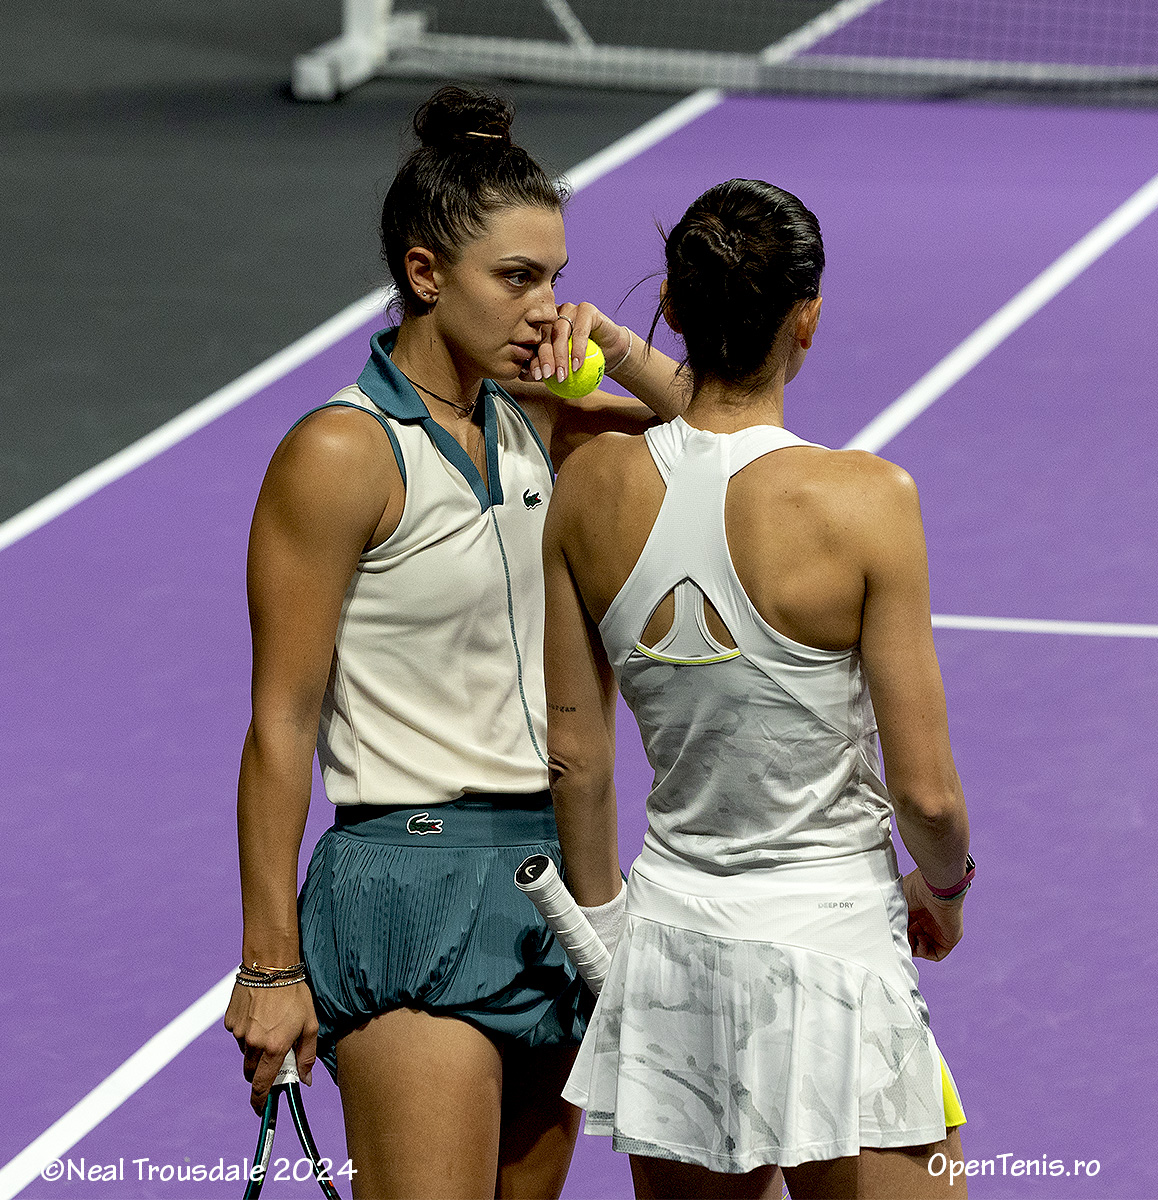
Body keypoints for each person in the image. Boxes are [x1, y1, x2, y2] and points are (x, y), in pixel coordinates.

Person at [223, 85, 687, 1200]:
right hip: (408, 891)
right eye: (516, 278)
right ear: (426, 273)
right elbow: (281, 725)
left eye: (557, 278)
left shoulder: (538, 417)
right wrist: (269, 966)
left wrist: (614, 346)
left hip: (561, 889)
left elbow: (718, 431)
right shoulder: (340, 455)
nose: (546, 308)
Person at [543, 178, 973, 1200]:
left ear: (674, 304)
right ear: (806, 317)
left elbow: (575, 759)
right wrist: (946, 889)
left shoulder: (589, 488)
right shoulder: (866, 501)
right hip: (835, 954)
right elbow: (927, 798)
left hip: (671, 953)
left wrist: (607, 935)